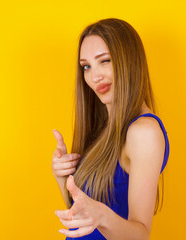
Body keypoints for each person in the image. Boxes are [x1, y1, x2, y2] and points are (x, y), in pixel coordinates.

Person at [51, 18, 170, 239]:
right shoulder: (103, 130)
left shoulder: (143, 132)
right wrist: (63, 177)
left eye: (104, 61)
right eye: (86, 66)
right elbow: (81, 219)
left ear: (129, 60)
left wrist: (102, 216)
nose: (94, 76)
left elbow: (140, 235)